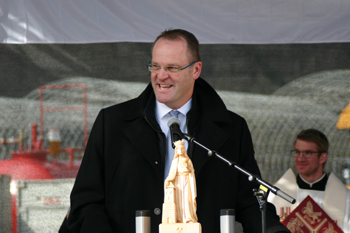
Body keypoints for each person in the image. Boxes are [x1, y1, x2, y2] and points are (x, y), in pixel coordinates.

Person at [67, 28, 289, 233]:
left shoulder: (231, 128)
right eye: (155, 66)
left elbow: (252, 203)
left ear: (196, 70)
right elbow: (86, 202)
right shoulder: (113, 123)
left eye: (172, 68)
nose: (161, 76)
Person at [268, 129, 350, 233]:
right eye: (297, 152)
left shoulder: (346, 199)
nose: (300, 159)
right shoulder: (276, 194)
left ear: (322, 158)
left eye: (307, 153)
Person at [164, 140, 197, 223]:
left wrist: (189, 170)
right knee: (179, 201)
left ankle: (188, 217)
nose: (180, 150)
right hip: (178, 181)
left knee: (187, 199)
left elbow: (192, 171)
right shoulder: (175, 161)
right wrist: (168, 180)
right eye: (178, 149)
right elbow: (172, 173)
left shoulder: (188, 160)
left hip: (186, 180)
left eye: (182, 148)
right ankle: (179, 218)